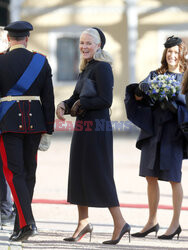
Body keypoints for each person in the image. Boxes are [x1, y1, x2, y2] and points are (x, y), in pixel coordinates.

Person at [56, 27, 130, 245]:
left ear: (99, 46)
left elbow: (106, 100)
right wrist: (64, 104)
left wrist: (81, 104)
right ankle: (83, 222)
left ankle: (120, 223)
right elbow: (77, 96)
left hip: (97, 128)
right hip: (83, 127)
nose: (84, 47)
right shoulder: (86, 68)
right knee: (79, 171)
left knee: (100, 173)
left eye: (89, 43)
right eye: (81, 43)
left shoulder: (103, 68)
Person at [125, 35, 188, 240]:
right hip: (153, 131)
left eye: (175, 52)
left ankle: (175, 223)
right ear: (165, 53)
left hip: (174, 133)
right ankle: (152, 221)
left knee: (173, 178)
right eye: (169, 52)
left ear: (182, 54)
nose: (172, 55)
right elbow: (137, 96)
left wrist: (176, 106)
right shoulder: (156, 74)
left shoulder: (186, 77)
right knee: (150, 177)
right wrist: (139, 90)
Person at [0, 20, 55, 241]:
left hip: (8, 123)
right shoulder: (40, 61)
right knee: (29, 175)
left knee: (15, 175)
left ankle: (27, 223)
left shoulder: (1, 61)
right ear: (27, 39)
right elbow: (49, 99)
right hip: (35, 123)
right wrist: (49, 129)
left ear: (8, 39)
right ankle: (20, 226)